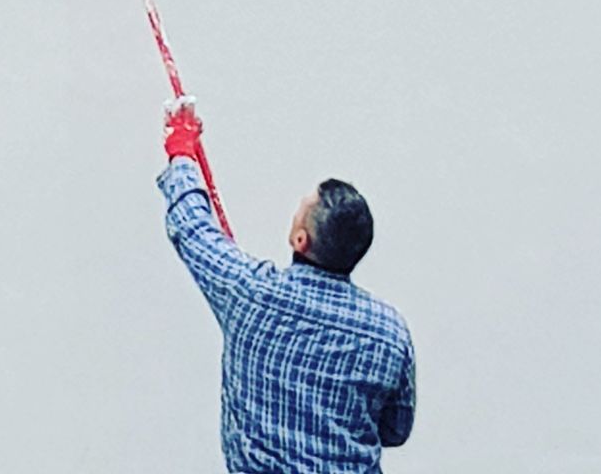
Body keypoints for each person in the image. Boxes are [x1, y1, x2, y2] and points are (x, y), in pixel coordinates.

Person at [158, 100, 415, 473]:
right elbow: (395, 429)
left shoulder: (252, 295)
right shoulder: (390, 333)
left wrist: (180, 151)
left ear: (300, 240)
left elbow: (193, 230)